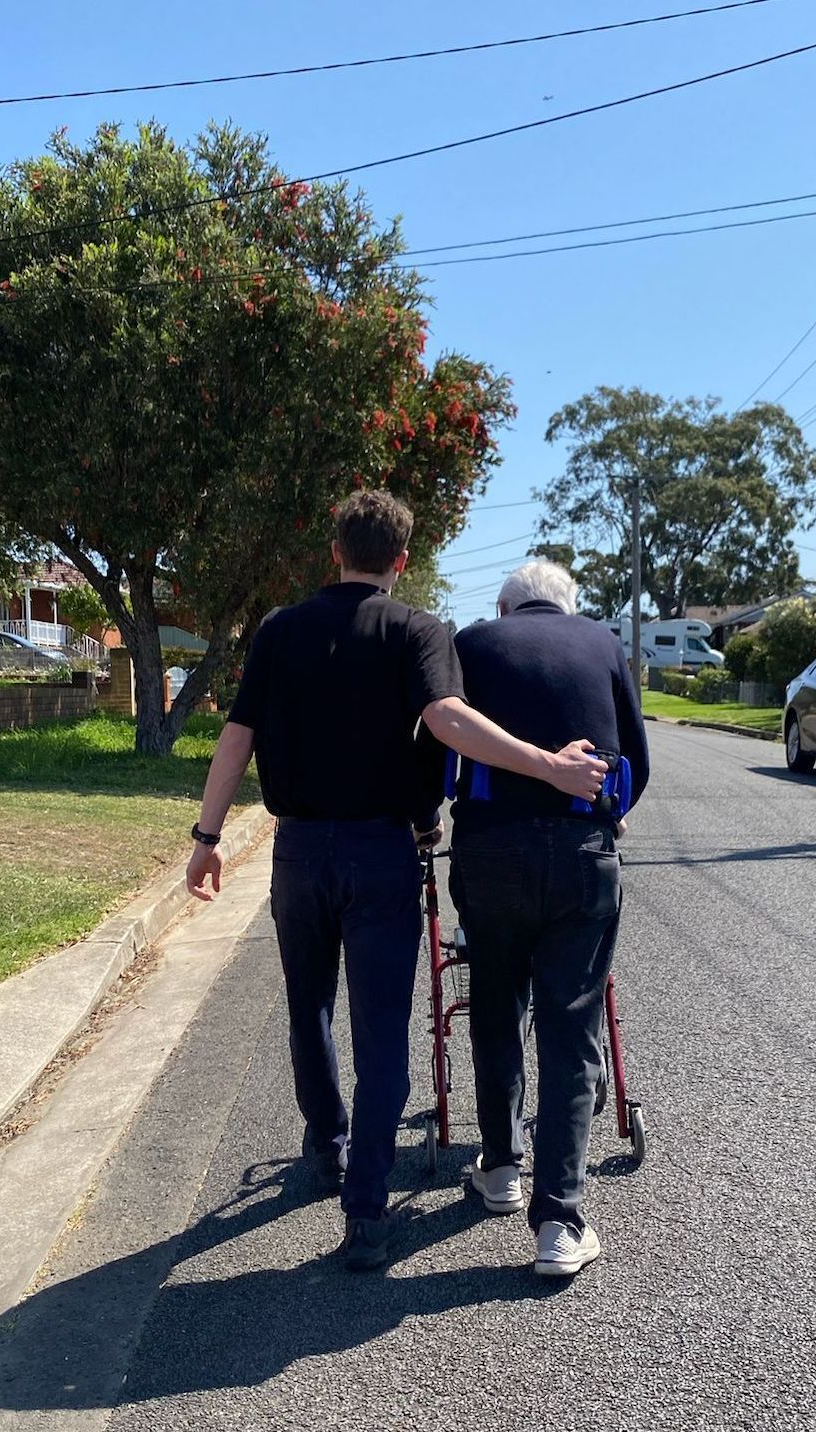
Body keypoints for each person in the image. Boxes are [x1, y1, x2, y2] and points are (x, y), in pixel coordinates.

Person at [185, 494, 608, 1272]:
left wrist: (207, 839)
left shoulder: (280, 630)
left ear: (335, 550)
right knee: (382, 1032)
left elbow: (236, 735)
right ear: (402, 562)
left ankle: (329, 1144)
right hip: (382, 852)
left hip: (300, 852)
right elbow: (447, 719)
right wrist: (549, 765)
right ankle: (368, 1209)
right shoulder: (420, 631)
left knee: (308, 1004)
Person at [447, 559, 649, 1277]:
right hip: (578, 854)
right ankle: (559, 1224)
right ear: (567, 608)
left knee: (496, 1001)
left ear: (507, 608)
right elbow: (636, 763)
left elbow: (440, 742)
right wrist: (609, 816)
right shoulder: (601, 643)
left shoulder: (472, 643)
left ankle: (500, 1167)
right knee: (571, 1025)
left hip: (488, 851)